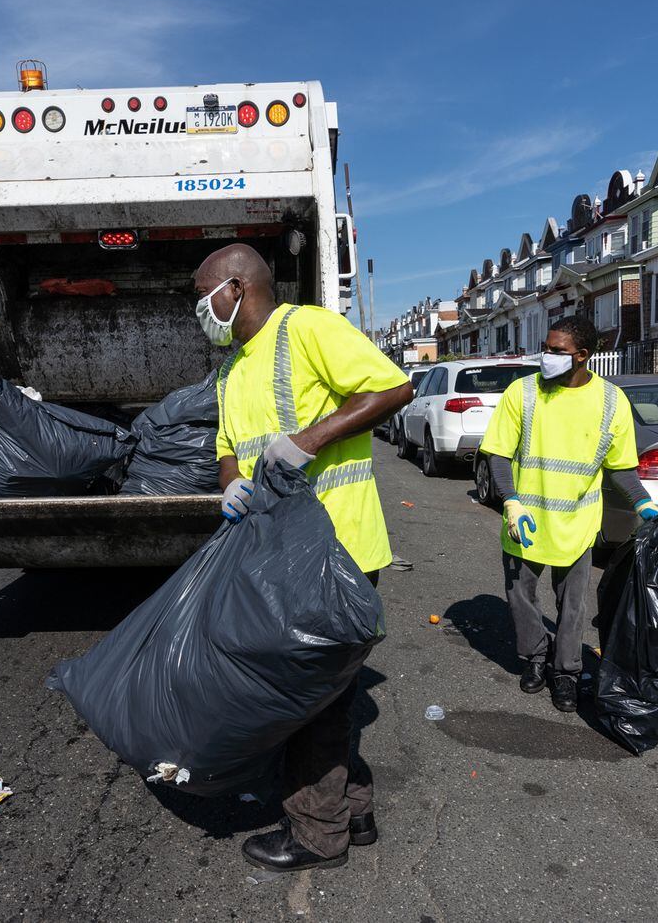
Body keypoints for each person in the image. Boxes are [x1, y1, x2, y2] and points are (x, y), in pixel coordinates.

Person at [193, 243, 413, 873]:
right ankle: (355, 809)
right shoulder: (234, 367)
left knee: (307, 698)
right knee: (324, 692)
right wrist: (230, 481)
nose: (198, 309)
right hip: (278, 554)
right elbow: (227, 444)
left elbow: (394, 386)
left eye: (203, 293)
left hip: (336, 549)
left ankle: (318, 835)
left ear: (236, 288)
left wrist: (308, 439)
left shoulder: (308, 327)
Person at [478, 316, 658, 713]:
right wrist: (509, 500)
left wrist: (642, 503)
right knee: (521, 598)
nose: (547, 357)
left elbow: (620, 467)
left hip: (577, 521)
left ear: (583, 356)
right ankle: (535, 659)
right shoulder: (522, 393)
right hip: (523, 518)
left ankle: (566, 671)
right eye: (546, 348)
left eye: (557, 351)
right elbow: (497, 453)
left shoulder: (610, 400)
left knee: (573, 603)